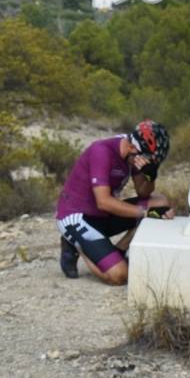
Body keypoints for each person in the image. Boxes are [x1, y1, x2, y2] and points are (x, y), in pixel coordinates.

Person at [54, 120, 174, 285]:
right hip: (76, 217)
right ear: (133, 148)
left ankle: (119, 251)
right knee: (119, 276)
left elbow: (143, 192)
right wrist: (145, 214)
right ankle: (77, 246)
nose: (146, 163)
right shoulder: (102, 152)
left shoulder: (134, 152)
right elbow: (104, 202)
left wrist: (150, 175)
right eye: (147, 160)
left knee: (160, 202)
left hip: (102, 215)